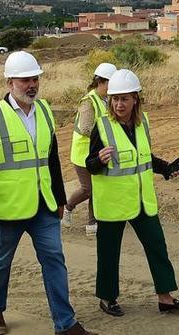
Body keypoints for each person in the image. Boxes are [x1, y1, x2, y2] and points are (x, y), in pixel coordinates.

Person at [0, 51, 94, 335]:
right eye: (25, 79)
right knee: (1, 263)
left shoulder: (45, 111)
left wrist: (60, 199)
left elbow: (50, 161)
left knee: (54, 260)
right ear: (10, 82)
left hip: (44, 206)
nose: (31, 84)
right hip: (9, 208)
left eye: (35, 78)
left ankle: (65, 323)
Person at [85, 69, 179, 317]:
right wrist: (98, 160)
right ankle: (107, 298)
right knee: (109, 253)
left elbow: (144, 158)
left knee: (157, 246)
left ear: (136, 99)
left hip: (142, 201)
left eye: (124, 98)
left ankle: (165, 297)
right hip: (113, 203)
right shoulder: (102, 127)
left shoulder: (144, 124)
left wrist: (165, 169)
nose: (119, 104)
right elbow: (90, 164)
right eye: (115, 99)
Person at [63, 62, 117, 236]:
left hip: (98, 154)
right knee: (88, 188)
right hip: (82, 153)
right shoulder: (89, 101)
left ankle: (92, 222)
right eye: (110, 82)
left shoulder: (107, 99)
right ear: (100, 81)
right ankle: (68, 207)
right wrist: (106, 136)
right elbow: (86, 128)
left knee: (98, 187)